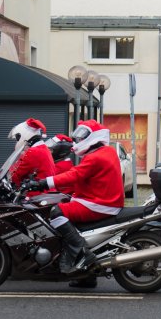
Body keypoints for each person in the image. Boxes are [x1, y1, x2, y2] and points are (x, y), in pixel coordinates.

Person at [27, 120, 125, 286]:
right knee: (63, 206)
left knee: (56, 213)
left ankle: (81, 252)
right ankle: (86, 277)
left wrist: (43, 183)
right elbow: (84, 179)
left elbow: (74, 175)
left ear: (94, 136)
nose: (79, 140)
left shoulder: (95, 157)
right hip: (103, 200)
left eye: (82, 136)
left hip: (98, 203)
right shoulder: (106, 152)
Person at [7, 118, 55, 187]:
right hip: (44, 191)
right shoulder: (42, 148)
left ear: (25, 135)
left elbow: (14, 175)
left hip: (37, 194)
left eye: (18, 137)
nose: (17, 141)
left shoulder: (33, 152)